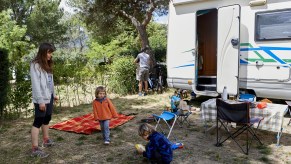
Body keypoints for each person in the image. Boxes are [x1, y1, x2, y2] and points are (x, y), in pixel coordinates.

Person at [30, 43, 58, 158]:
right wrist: (41, 101)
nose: (50, 55)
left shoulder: (48, 64)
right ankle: (35, 149)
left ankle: (46, 140)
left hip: (49, 96)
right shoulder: (35, 65)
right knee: (38, 121)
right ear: (43, 52)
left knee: (47, 118)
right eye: (49, 52)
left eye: (51, 53)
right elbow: (36, 85)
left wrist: (54, 94)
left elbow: (50, 82)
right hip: (41, 98)